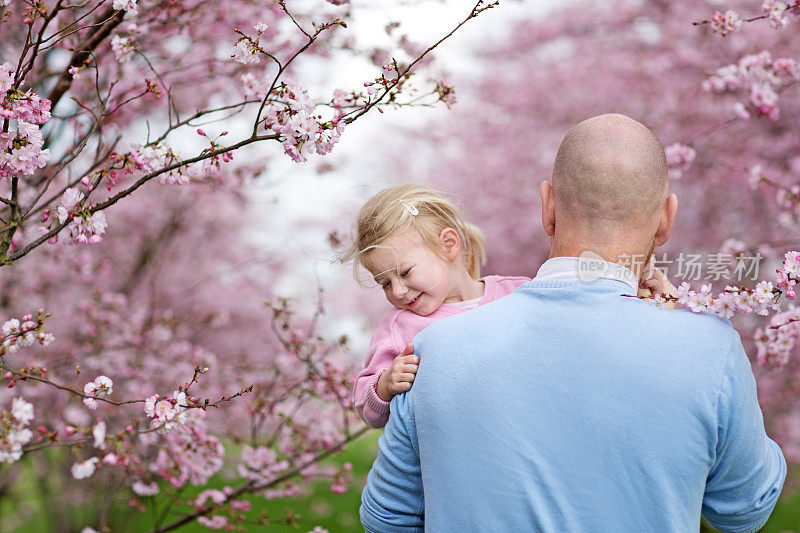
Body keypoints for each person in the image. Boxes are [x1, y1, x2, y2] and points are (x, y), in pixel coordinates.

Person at [359, 113, 786, 532]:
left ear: (547, 206)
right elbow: (745, 510)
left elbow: (386, 518)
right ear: (666, 220)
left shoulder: (431, 350)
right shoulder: (710, 349)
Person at [342, 184, 530, 429]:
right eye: (385, 283)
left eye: (405, 272)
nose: (397, 291)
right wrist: (385, 384)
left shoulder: (516, 294)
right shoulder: (401, 327)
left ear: (448, 244)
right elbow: (365, 407)